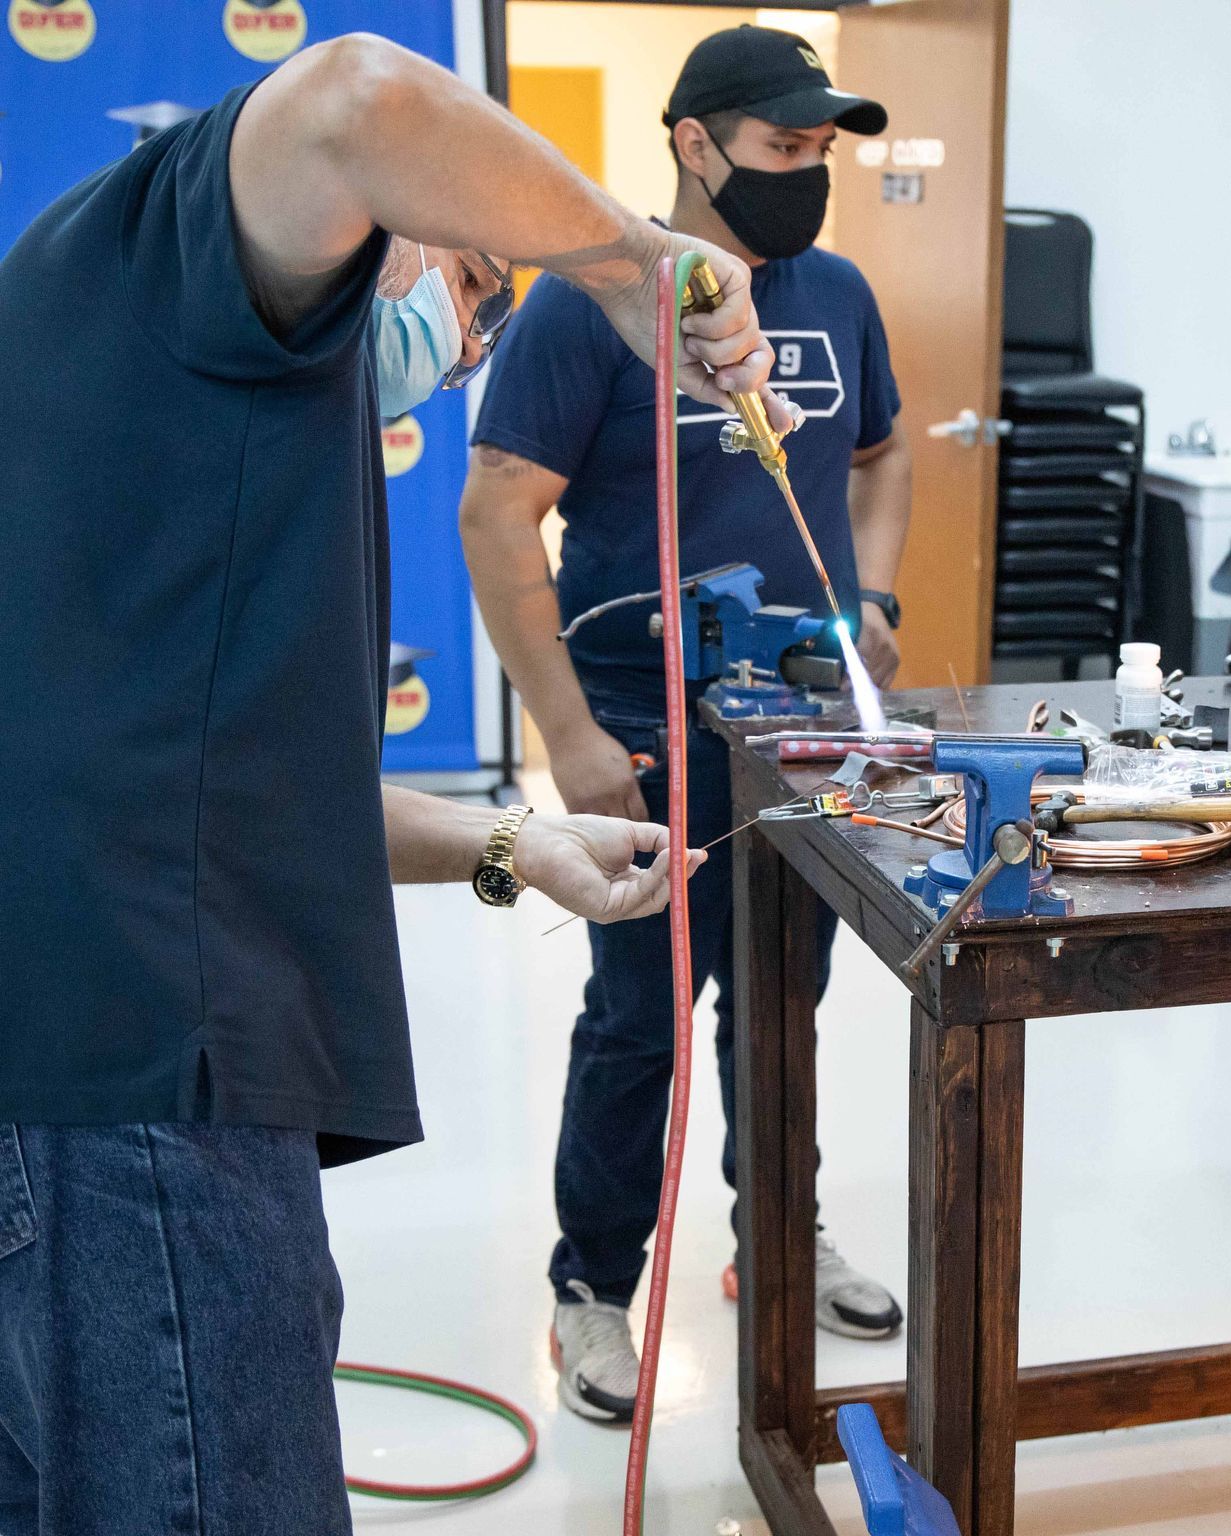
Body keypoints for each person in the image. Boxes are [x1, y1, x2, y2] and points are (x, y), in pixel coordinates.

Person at [0, 32, 779, 1533]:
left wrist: (515, 847)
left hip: (71, 1094)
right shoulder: (148, 262)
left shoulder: (173, 427)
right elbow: (358, 98)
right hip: (133, 1099)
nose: (471, 341)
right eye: (475, 279)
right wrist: (630, 263)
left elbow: (225, 793)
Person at [461, 24, 912, 1422]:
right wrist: (569, 738)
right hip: (643, 725)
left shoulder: (837, 295)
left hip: (802, 729)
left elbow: (885, 452)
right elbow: (495, 517)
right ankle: (594, 1286)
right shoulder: (589, 305)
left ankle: (778, 1233)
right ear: (695, 144)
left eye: (823, 149)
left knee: (784, 1003)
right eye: (784, 147)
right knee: (641, 1019)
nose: (808, 172)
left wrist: (874, 593)